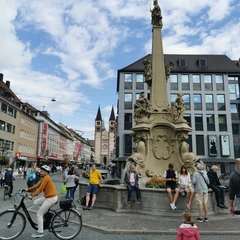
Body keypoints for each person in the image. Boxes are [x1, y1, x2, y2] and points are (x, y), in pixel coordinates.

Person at [25, 165, 58, 238]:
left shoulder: (47, 178)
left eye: (42, 171)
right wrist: (28, 189)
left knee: (39, 214)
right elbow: (37, 186)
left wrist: (32, 195)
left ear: (46, 172)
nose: (40, 172)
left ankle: (40, 232)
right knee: (35, 203)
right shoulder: (44, 178)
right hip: (47, 197)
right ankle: (46, 214)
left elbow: (40, 189)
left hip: (51, 198)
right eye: (40, 170)